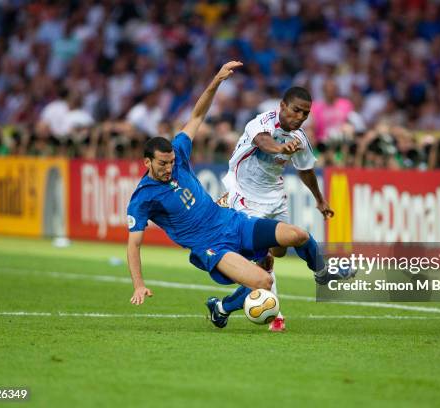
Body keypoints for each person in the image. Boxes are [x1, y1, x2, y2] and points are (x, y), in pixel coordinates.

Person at [126, 62, 349, 329]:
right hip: (211, 246)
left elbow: (197, 116)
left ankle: (321, 274)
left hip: (231, 221)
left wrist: (216, 80)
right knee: (264, 279)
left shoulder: (179, 154)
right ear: (146, 163)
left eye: (171, 161)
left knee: (298, 236)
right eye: (162, 164)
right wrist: (139, 284)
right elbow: (134, 244)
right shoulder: (143, 198)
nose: (169, 167)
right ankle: (257, 314)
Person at [219, 86, 333, 332]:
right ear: (282, 106)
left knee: (281, 250)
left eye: (305, 113)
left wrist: (319, 199)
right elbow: (263, 142)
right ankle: (277, 315)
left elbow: (305, 169)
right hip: (245, 197)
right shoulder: (261, 122)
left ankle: (221, 308)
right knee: (265, 261)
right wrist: (281, 148)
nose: (300, 117)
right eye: (296, 110)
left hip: (274, 197)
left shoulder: (300, 138)